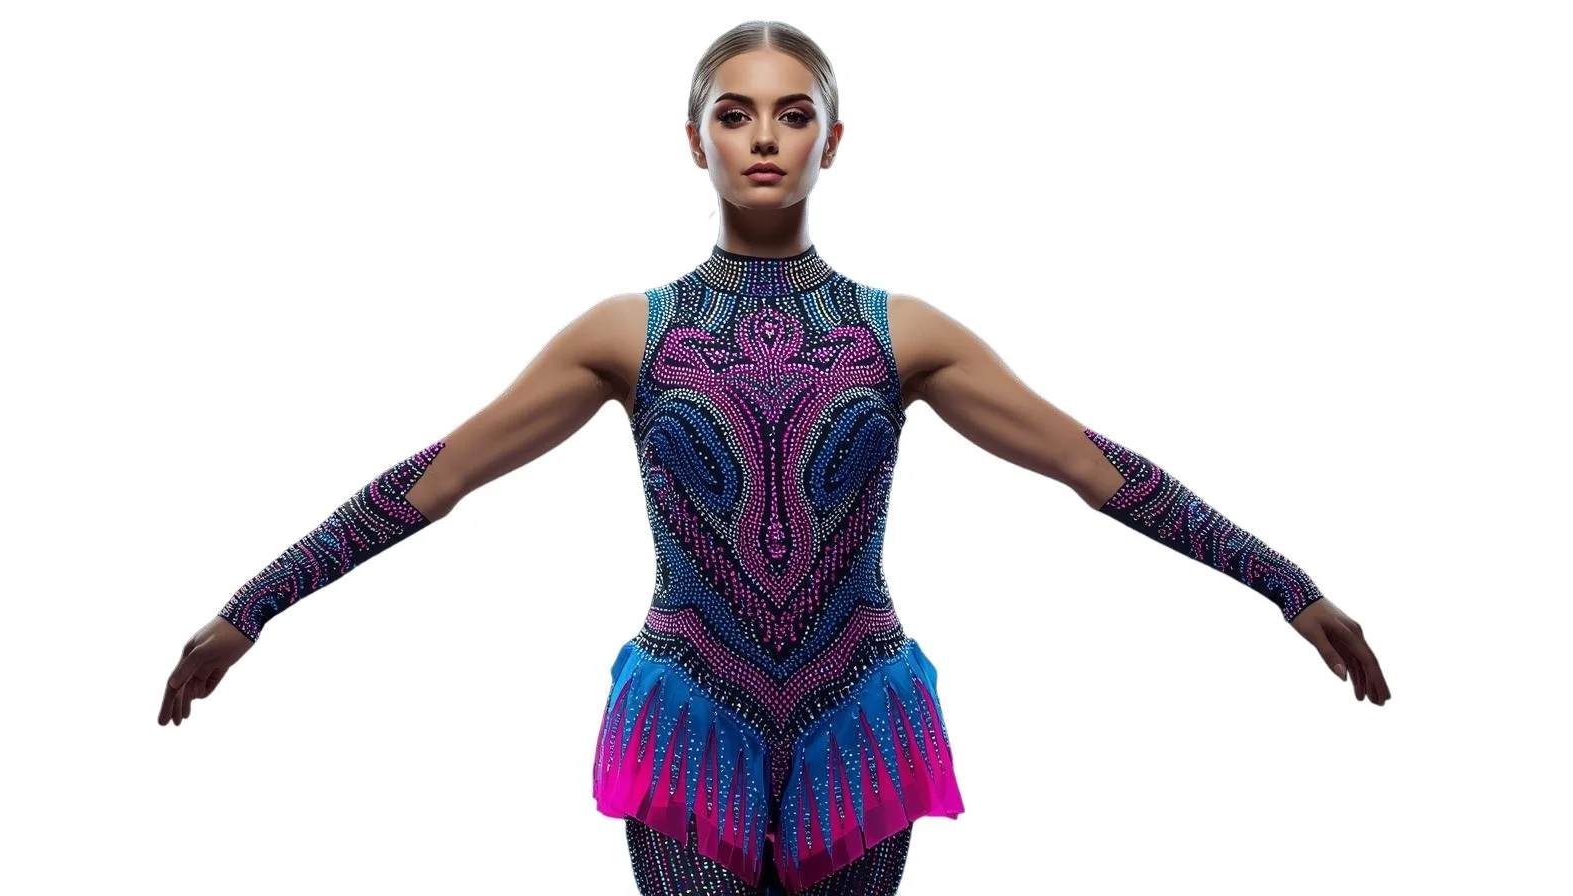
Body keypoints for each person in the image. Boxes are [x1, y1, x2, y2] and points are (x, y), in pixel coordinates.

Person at [158, 20, 1391, 896]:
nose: (764, 138)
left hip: (858, 707)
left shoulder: (901, 332)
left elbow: (1094, 464)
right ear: (690, 139)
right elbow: (438, 475)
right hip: (691, 708)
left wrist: (1289, 586)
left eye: (792, 114)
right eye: (733, 113)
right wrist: (249, 610)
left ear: (834, 139)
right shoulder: (624, 334)